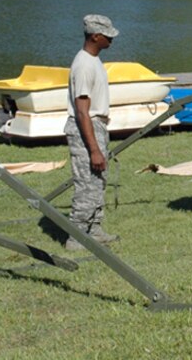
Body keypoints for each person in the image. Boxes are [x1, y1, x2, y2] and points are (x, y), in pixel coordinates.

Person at [64, 14, 121, 251]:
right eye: (108, 36)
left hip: (96, 126)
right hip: (86, 127)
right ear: (95, 36)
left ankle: (94, 228)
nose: (111, 40)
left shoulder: (93, 60)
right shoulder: (84, 65)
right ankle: (76, 237)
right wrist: (95, 149)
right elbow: (82, 111)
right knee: (87, 183)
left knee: (98, 181)